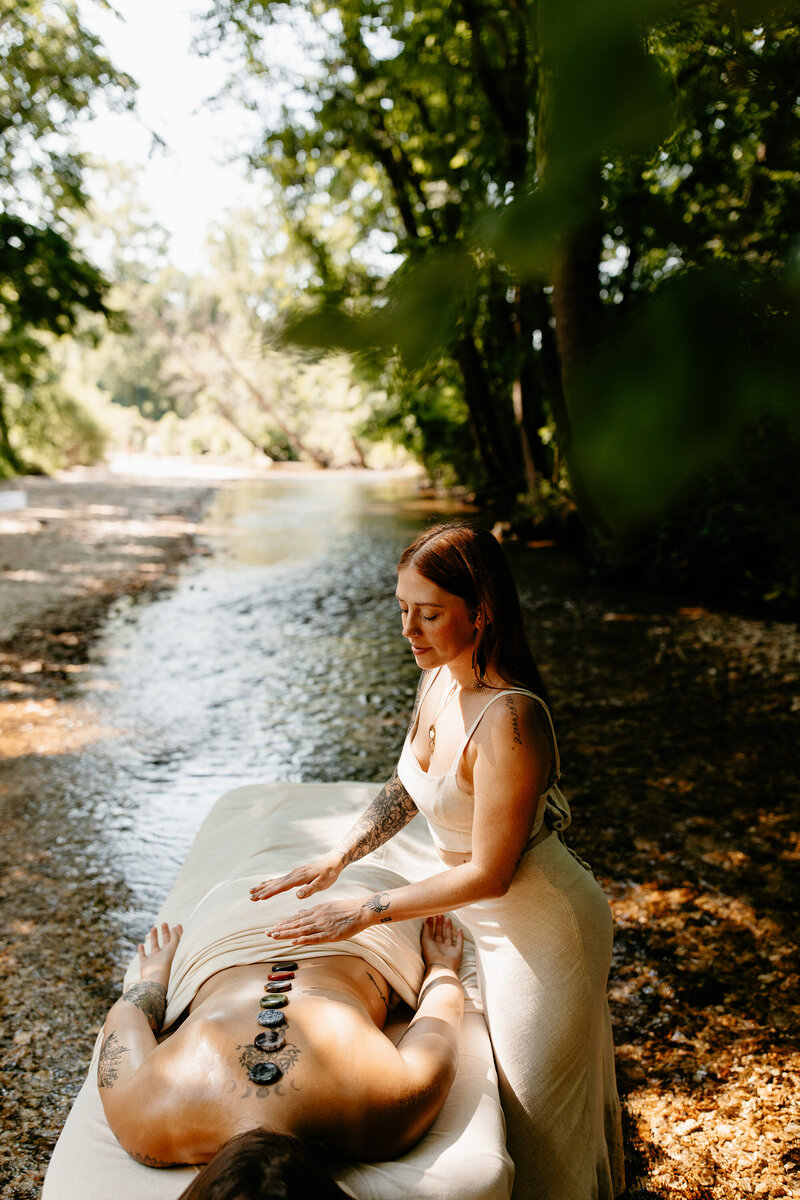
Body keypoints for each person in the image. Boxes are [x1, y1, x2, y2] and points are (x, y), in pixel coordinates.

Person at [250, 520, 625, 1200]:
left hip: (542, 932)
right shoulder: (440, 680)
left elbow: (491, 872)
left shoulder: (511, 719)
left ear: (480, 612)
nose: (408, 630)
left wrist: (361, 911)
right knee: (510, 1112)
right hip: (480, 916)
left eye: (429, 614)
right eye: (402, 609)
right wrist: (337, 857)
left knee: (538, 1129)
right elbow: (408, 787)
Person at [97, 913, 465, 1197]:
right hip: (228, 931)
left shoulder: (389, 1117)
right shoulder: (143, 1123)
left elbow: (441, 1013)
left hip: (355, 935)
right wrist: (158, 976)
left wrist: (440, 967)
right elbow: (129, 1013)